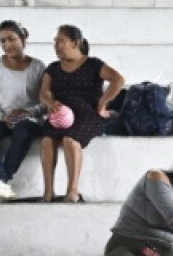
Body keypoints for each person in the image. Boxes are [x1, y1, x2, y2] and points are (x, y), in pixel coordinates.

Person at [39, 25, 125, 203]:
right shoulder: (53, 68)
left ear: (75, 43)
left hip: (88, 114)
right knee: (47, 141)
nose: (56, 45)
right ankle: (48, 192)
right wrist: (50, 102)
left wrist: (103, 102)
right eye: (55, 42)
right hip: (60, 115)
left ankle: (72, 190)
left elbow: (118, 79)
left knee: (70, 140)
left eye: (60, 41)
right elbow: (44, 92)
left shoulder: (93, 64)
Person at [0, 20, 45, 202]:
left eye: (11, 39)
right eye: (2, 41)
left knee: (23, 131)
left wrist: (27, 112)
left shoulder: (38, 66)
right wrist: (1, 116)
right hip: (0, 117)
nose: (7, 45)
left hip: (28, 118)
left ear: (23, 39)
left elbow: (45, 101)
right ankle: (1, 181)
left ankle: (0, 180)